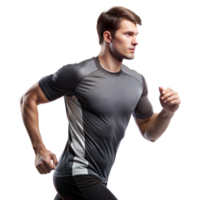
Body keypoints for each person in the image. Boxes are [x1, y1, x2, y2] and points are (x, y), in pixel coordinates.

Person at [18, 5, 183, 200]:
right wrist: (39, 149)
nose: (136, 41)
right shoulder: (78, 73)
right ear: (108, 36)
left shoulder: (138, 80)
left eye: (137, 35)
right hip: (76, 174)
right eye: (128, 34)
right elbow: (28, 98)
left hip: (100, 178)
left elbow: (149, 132)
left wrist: (167, 111)